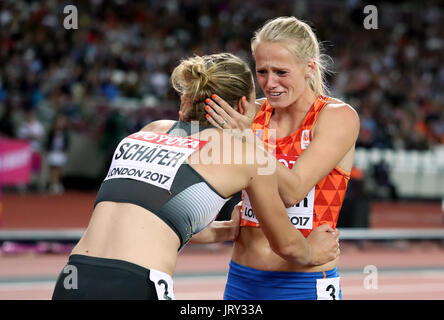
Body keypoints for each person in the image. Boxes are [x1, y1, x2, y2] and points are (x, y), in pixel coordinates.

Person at [51, 52, 340, 300]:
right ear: (242, 106)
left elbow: (150, 217)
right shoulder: (246, 155)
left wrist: (227, 231)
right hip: (136, 283)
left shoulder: (149, 131)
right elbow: (288, 245)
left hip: (73, 276)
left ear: (187, 99)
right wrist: (314, 253)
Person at [205, 17, 360, 300]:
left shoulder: (337, 117)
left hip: (304, 283)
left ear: (309, 68)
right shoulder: (251, 114)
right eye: (262, 71)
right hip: (242, 281)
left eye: (281, 72)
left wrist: (247, 141)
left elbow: (292, 190)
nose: (270, 83)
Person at [45, 113, 70, 194]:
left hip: (61, 152)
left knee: (60, 169)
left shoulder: (65, 132)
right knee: (53, 169)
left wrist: (65, 149)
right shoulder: (52, 131)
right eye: (59, 121)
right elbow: (48, 141)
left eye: (62, 121)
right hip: (53, 151)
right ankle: (53, 185)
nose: (61, 123)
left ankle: (58, 183)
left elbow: (67, 142)